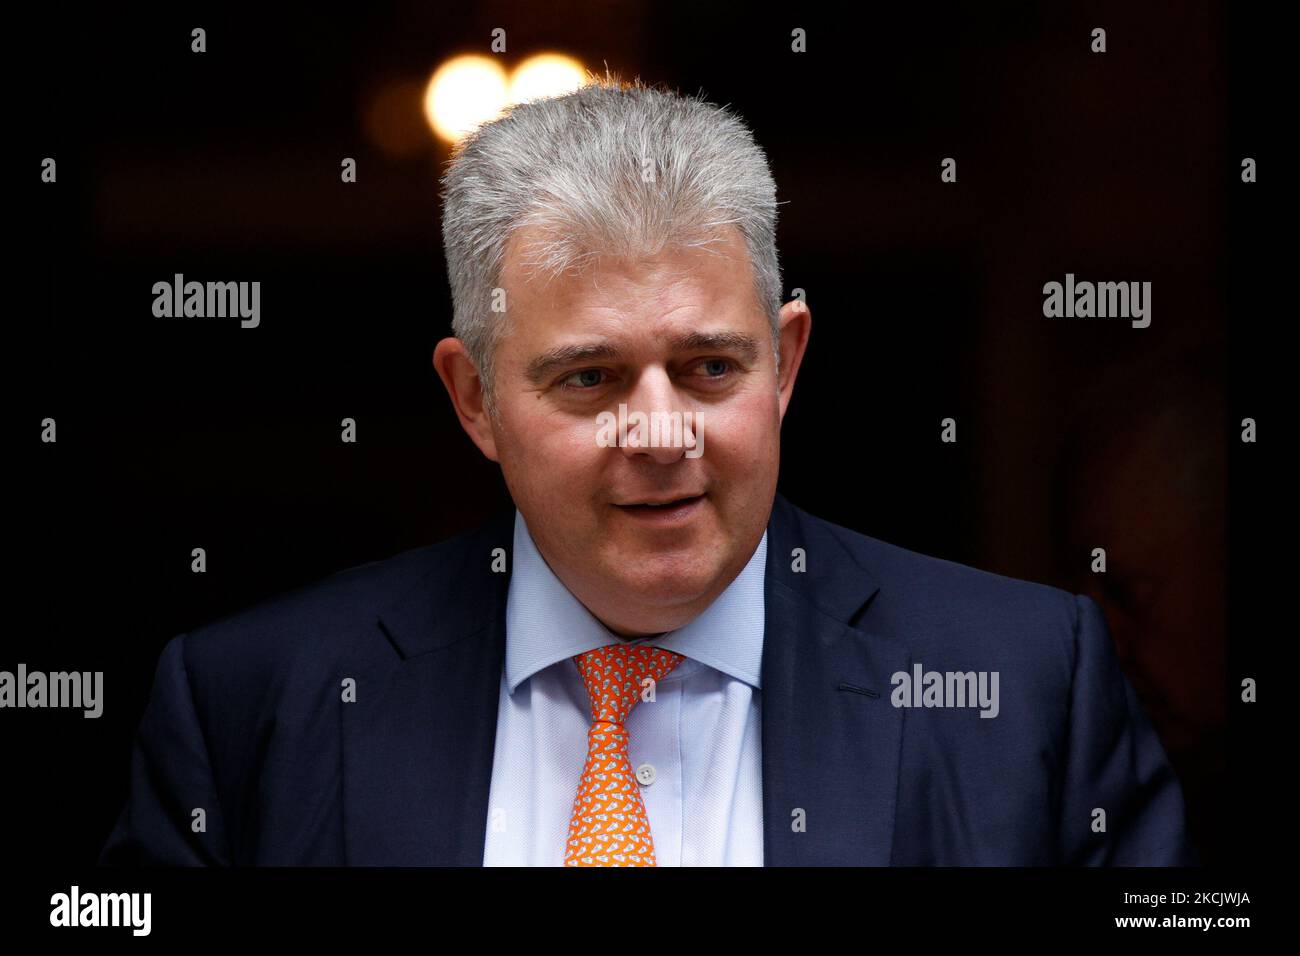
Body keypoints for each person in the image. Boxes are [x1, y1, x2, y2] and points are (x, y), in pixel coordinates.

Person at [99, 74, 1194, 867]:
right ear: (473, 398)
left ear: (788, 360)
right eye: (589, 379)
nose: (661, 432)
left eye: (711, 365)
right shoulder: (250, 704)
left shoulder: (1029, 685)